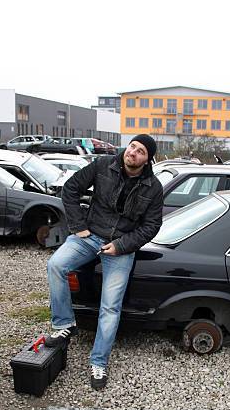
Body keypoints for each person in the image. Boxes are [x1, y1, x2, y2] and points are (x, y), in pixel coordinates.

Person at [45, 134, 163, 389]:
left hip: (120, 248)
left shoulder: (153, 187)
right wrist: (78, 226)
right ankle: (64, 324)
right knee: (56, 265)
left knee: (110, 306)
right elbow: (70, 189)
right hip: (89, 236)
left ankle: (99, 363)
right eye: (132, 146)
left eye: (140, 151)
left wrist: (121, 245)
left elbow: (152, 226)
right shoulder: (103, 165)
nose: (133, 152)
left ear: (147, 159)